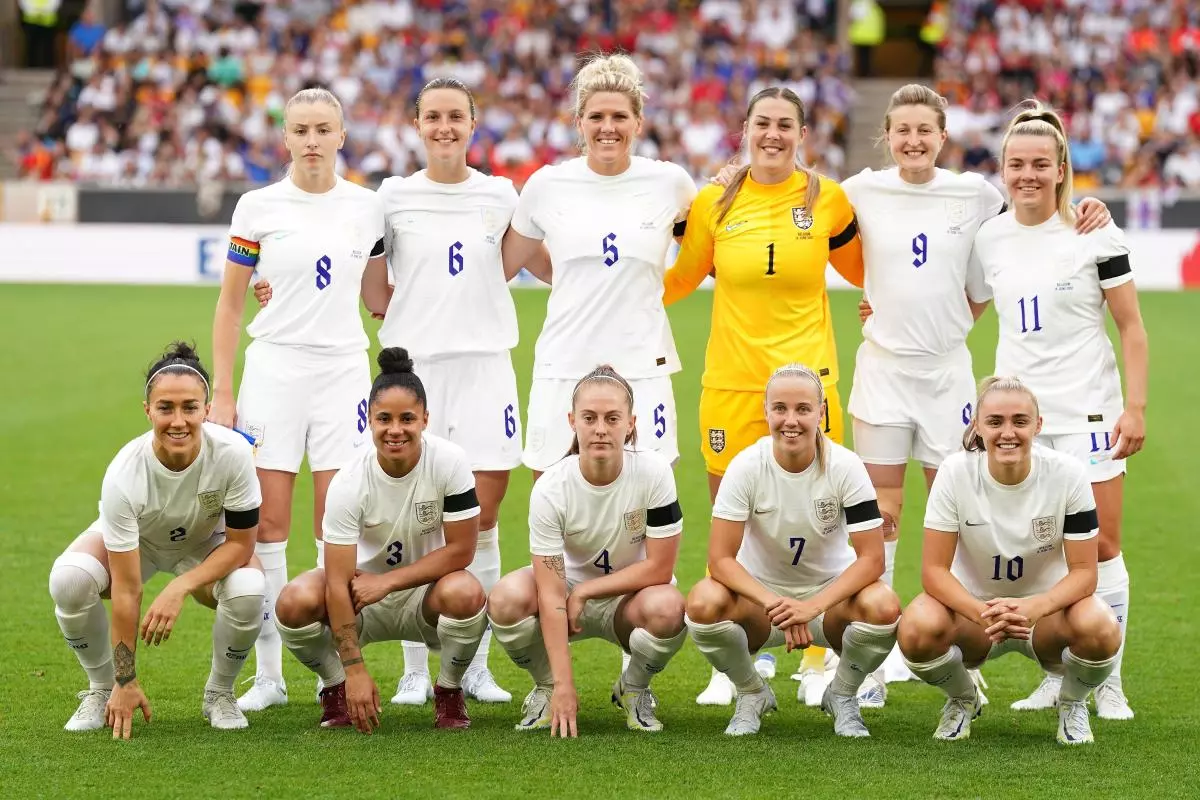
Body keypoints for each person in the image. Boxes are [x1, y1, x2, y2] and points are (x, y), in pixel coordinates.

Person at [843, 85, 1110, 705]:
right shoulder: (860, 190)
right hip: (881, 371)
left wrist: (1087, 206)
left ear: (943, 136)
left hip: (948, 376)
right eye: (903, 130)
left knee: (959, 507)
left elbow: (1031, 218)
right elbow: (801, 197)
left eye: (925, 131)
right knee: (882, 513)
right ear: (887, 135)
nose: (913, 141)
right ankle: (876, 661)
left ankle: (968, 639)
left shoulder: (976, 194)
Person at [665, 86, 864, 707]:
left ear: (803, 134)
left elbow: (870, 270)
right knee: (732, 520)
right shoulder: (714, 202)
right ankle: (737, 658)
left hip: (809, 387)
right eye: (762, 124)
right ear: (745, 130)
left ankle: (817, 655)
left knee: (821, 517)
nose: (772, 135)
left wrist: (886, 301)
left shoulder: (827, 199)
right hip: (731, 383)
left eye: (784, 125)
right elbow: (679, 280)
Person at [210, 86, 387, 713]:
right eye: (301, 130)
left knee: (335, 524)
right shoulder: (257, 206)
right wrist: (223, 390)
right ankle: (269, 675)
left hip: (343, 373)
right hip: (274, 369)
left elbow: (379, 297)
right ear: (284, 137)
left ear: (342, 136)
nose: (312, 140)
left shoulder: (368, 207)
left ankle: (330, 666)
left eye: (323, 129)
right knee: (267, 526)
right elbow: (231, 304)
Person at [969, 102, 1148, 720]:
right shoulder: (990, 236)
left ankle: (1109, 679)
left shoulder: (1096, 231)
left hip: (1089, 414)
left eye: (1040, 164)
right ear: (1003, 169)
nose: (1027, 175)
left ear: (1061, 168)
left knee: (1102, 546)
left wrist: (1135, 406)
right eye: (1016, 164)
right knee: (1045, 549)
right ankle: (1056, 673)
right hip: (1019, 422)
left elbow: (1131, 327)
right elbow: (965, 308)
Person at [48, 342, 265, 738]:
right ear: (147, 410)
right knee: (69, 580)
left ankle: (220, 693)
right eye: (166, 408)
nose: (178, 421)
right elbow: (127, 589)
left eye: (190, 407)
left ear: (206, 409)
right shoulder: (124, 474)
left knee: (249, 588)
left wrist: (180, 587)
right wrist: (125, 678)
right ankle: (103, 689)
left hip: (205, 543)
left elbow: (241, 546)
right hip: (141, 545)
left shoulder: (234, 453)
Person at [273, 348, 489, 733]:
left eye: (407, 418)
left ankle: (449, 689)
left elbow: (462, 550)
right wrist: (354, 670)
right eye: (384, 419)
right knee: (294, 602)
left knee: (467, 593)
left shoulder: (450, 462)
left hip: (424, 594)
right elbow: (336, 582)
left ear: (425, 419)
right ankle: (335, 687)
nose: (395, 430)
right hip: (358, 598)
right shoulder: (348, 481)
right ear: (368, 420)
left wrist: (386, 582)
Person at [501, 53, 697, 478]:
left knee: (647, 500)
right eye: (596, 117)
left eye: (620, 116)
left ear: (638, 123)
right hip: (564, 363)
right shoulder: (547, 185)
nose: (608, 127)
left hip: (643, 365)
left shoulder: (671, 184)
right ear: (579, 123)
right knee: (552, 497)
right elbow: (506, 263)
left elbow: (707, 255)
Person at [897, 376, 1122, 745]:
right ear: (978, 426)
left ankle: (1072, 703)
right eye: (995, 421)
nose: (1008, 433)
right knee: (917, 628)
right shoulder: (954, 472)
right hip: (976, 617)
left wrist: (1035, 608)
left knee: (1100, 626)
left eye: (1020, 421)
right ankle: (962, 699)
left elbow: (1085, 573)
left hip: (1046, 617)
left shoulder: (1068, 474)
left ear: (1038, 425)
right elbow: (933, 571)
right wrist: (980, 612)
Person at [685, 364, 899, 736]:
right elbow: (719, 559)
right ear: (765, 411)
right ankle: (752, 692)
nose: (791, 421)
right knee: (703, 602)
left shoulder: (846, 466)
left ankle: (842, 694)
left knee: (884, 606)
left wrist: (811, 607)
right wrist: (775, 603)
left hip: (829, 604)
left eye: (803, 409)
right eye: (780, 408)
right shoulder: (746, 466)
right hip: (761, 605)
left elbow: (872, 558)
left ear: (821, 412)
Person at [487, 366, 688, 736]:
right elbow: (550, 593)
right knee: (505, 599)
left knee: (669, 608)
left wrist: (587, 591)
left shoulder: (655, 472)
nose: (600, 429)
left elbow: (660, 568)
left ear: (630, 423)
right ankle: (546, 688)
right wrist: (563, 685)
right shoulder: (551, 487)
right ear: (572, 421)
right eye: (589, 418)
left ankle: (634, 688)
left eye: (612, 418)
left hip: (630, 597)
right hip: (564, 594)